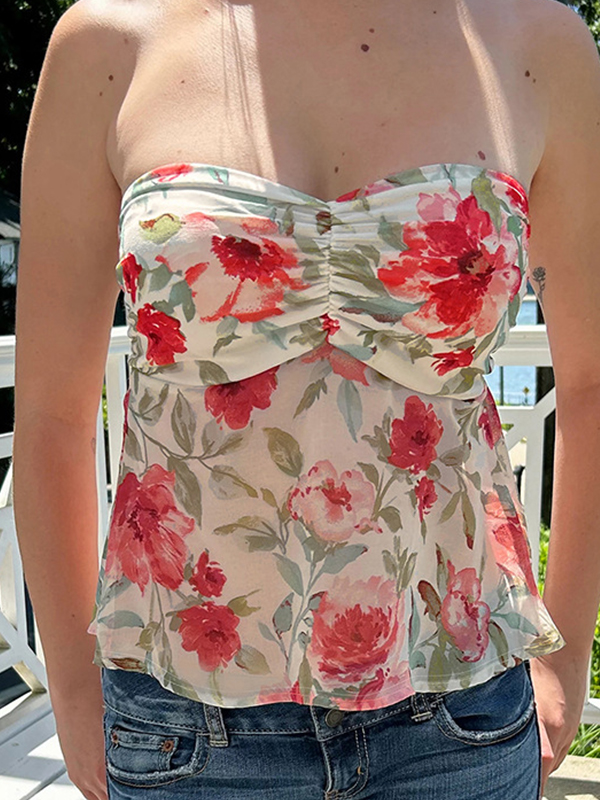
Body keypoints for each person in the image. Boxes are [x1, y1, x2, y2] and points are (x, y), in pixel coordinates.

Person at [12, 0, 600, 798]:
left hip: (459, 713)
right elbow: (51, 414)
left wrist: (566, 660)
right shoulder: (111, 44)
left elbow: (590, 384)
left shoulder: (535, 44)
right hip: (184, 726)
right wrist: (76, 692)